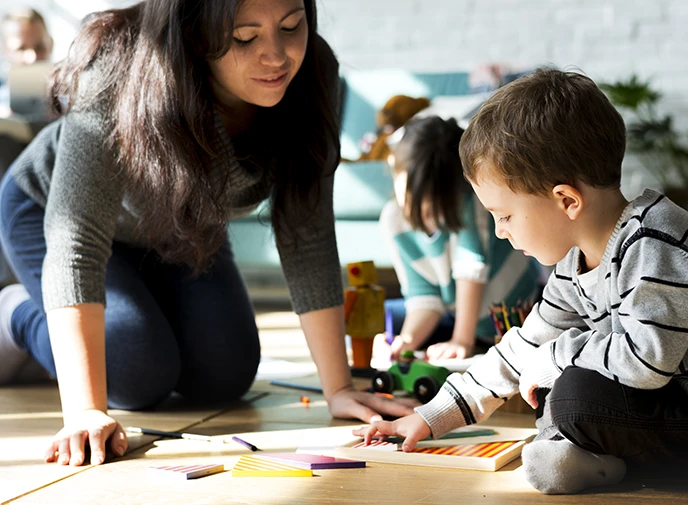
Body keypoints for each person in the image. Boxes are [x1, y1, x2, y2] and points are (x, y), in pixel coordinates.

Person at [0, 0, 414, 468]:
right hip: (51, 213)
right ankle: (17, 315)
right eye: (245, 37)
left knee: (225, 374)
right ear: (195, 37)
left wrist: (337, 388)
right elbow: (76, 243)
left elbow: (307, 233)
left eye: (292, 26)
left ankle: (136, 315)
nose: (277, 56)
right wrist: (85, 411)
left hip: (179, 226)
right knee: (137, 373)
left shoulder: (314, 72)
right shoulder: (115, 66)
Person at [355, 68, 688, 494]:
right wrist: (428, 418)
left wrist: (556, 356)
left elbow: (645, 360)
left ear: (566, 200)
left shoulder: (656, 241)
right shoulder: (574, 265)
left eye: (504, 215)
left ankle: (593, 455)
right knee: (559, 379)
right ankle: (589, 457)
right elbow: (520, 350)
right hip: (686, 405)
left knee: (572, 389)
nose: (498, 232)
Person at [378, 115, 541, 361]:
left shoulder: (472, 203)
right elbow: (424, 296)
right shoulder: (393, 220)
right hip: (462, 319)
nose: (422, 206)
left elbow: (471, 268)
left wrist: (461, 340)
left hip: (516, 320)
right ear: (394, 169)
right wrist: (406, 342)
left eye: (433, 199)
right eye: (413, 192)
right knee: (388, 325)